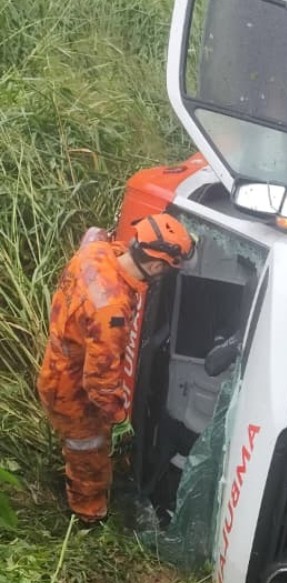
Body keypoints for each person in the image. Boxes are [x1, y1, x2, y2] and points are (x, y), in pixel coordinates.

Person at [36, 215, 194, 523]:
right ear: (155, 266)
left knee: (78, 447)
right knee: (88, 454)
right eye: (166, 269)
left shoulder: (98, 252)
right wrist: (121, 419)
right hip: (72, 392)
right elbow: (99, 385)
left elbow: (93, 233)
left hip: (57, 366)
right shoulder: (112, 312)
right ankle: (88, 516)